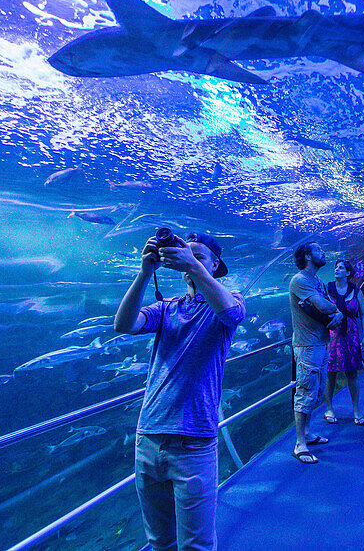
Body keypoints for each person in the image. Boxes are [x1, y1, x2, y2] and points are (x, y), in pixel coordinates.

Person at [114, 231, 244, 551]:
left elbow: (230, 313)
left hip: (193, 442)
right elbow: (123, 324)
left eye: (200, 256)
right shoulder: (167, 307)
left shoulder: (229, 301)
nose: (191, 260)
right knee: (160, 542)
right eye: (187, 254)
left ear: (216, 266)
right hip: (148, 437)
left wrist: (193, 265)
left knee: (196, 545)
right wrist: (145, 273)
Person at [288, 241, 344, 464]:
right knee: (305, 390)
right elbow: (324, 306)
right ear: (308, 256)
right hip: (307, 345)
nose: (323, 252)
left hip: (320, 343)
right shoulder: (300, 280)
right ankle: (299, 443)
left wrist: (337, 312)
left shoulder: (317, 280)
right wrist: (337, 313)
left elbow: (330, 304)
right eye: (319, 250)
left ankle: (308, 433)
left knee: (316, 390)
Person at [323, 259, 364, 425]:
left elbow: (363, 314)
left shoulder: (356, 290)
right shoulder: (327, 289)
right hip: (331, 336)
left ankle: (356, 410)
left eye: (341, 267)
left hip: (351, 336)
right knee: (330, 373)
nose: (337, 270)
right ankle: (329, 408)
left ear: (348, 272)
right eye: (336, 267)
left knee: (352, 373)